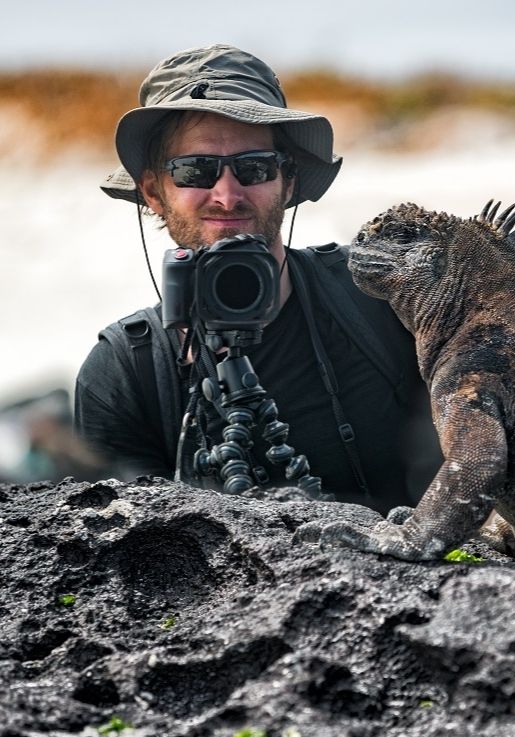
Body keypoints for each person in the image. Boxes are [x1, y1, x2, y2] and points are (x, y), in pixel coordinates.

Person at [75, 44, 441, 512]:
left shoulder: (384, 298)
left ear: (288, 181)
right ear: (153, 191)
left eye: (254, 168)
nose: (227, 195)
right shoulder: (125, 372)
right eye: (195, 170)